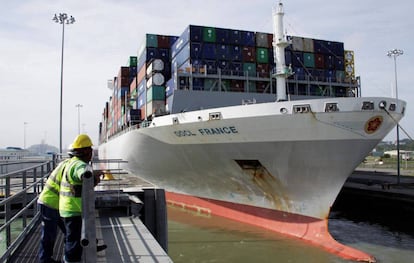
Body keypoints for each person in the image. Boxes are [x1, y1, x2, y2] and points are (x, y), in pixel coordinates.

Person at [59, 134, 102, 263]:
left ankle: (68, 258)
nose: (91, 153)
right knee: (74, 244)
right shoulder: (79, 165)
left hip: (68, 209)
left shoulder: (72, 162)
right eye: (90, 149)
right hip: (74, 210)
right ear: (84, 151)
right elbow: (82, 174)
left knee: (71, 240)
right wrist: (91, 177)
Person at [38, 157, 70, 263]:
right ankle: (45, 260)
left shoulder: (66, 164)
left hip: (56, 204)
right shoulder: (69, 167)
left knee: (68, 229)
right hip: (49, 203)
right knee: (49, 234)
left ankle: (68, 255)